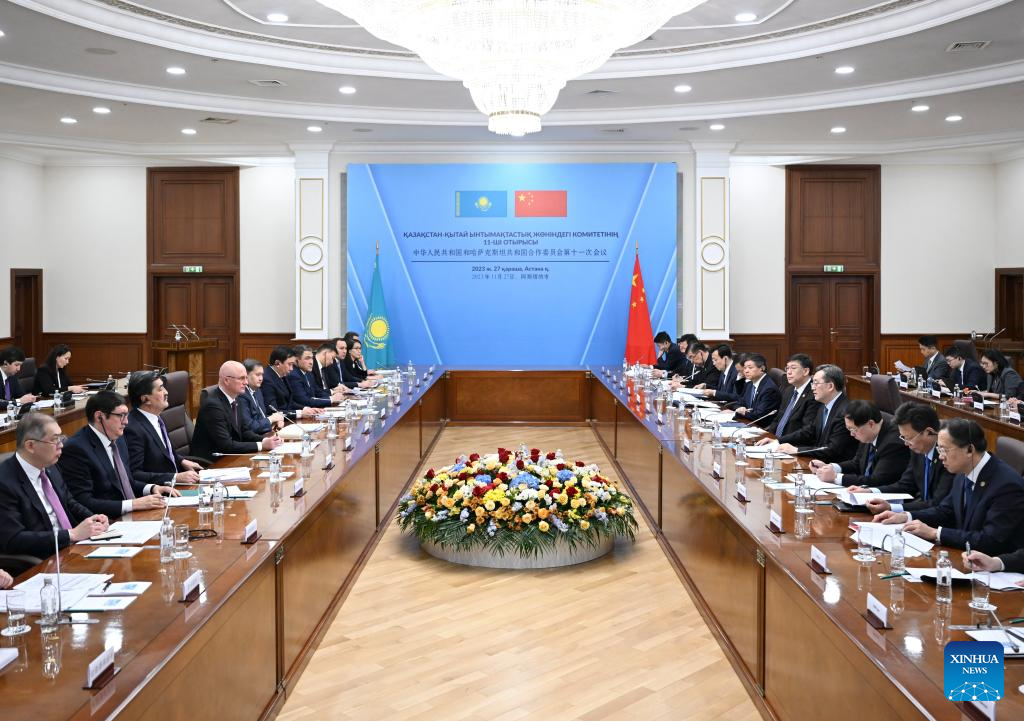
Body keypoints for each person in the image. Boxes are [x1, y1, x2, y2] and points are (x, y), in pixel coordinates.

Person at [874, 418, 1024, 553]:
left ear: (969, 449)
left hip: (993, 565)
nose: (940, 456)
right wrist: (906, 516)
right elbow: (946, 511)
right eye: (939, 449)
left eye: (944, 450)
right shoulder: (964, 470)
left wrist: (935, 533)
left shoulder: (1006, 485)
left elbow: (990, 540)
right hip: (965, 555)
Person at [0, 412, 109, 558]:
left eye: (61, 438)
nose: (61, 445)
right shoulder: (4, 482)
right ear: (30, 445)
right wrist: (71, 534)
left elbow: (69, 502)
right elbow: (13, 539)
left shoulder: (50, 465)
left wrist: (93, 519)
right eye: (55, 440)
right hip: (44, 559)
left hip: (72, 549)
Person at [58, 390, 176, 518]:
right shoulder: (77, 449)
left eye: (127, 415)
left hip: (134, 515)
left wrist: (152, 488)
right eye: (121, 415)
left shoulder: (118, 438)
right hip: (108, 521)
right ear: (99, 417)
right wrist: (133, 504)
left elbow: (126, 482)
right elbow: (83, 501)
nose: (126, 422)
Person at [851, 401, 956, 514]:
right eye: (903, 438)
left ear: (928, 432)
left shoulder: (946, 458)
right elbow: (906, 485)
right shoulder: (918, 449)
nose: (906, 443)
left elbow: (937, 503)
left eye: (908, 438)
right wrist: (869, 491)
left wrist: (893, 508)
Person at [190, 361, 283, 462]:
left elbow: (244, 431)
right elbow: (226, 445)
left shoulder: (235, 398)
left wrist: (265, 440)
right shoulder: (212, 406)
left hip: (230, 457)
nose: (246, 382)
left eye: (246, 378)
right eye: (242, 378)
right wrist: (261, 445)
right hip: (213, 462)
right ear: (226, 380)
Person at [123, 371, 203, 487]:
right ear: (146, 399)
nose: (166, 392)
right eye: (160, 389)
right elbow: (135, 474)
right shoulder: (133, 429)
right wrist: (175, 477)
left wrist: (181, 461)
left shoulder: (157, 417)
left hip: (181, 484)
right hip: (161, 491)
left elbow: (164, 452)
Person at [810, 400, 910, 488]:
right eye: (849, 429)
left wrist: (836, 477)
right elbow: (857, 462)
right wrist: (830, 467)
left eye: (853, 429)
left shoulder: (893, 443)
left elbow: (877, 480)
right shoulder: (869, 429)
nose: (851, 434)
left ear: (871, 424)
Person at [776, 364, 859, 462]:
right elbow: (809, 431)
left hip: (834, 465)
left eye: (816, 383)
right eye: (812, 383)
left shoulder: (845, 412)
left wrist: (797, 450)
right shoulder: (823, 405)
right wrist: (778, 440)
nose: (812, 388)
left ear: (830, 386)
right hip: (819, 462)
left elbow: (832, 449)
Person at [760, 354, 819, 445]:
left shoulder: (814, 394)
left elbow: (807, 430)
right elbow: (778, 418)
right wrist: (768, 436)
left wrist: (778, 441)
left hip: (794, 445)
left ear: (806, 371)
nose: (789, 372)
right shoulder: (789, 390)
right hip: (776, 442)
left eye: (793, 368)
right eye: (787, 368)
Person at [261, 345, 316, 419]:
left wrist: (305, 409)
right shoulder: (267, 379)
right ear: (277, 363)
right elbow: (272, 411)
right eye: (289, 364)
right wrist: (299, 413)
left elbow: (289, 402)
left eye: (292, 364)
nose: (291, 369)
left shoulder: (282, 374)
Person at [238, 359, 284, 436]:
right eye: (257, 375)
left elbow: (261, 417)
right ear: (246, 375)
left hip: (265, 434)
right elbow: (250, 426)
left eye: (262, 375)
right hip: (253, 439)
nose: (261, 378)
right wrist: (271, 419)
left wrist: (275, 422)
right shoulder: (241, 395)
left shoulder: (258, 391)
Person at [732, 353, 780, 425]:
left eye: (750, 368)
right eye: (745, 368)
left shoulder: (769, 389)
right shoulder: (750, 384)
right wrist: (739, 408)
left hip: (761, 427)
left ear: (762, 368)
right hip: (748, 422)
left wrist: (743, 412)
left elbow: (759, 415)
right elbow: (740, 402)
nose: (746, 371)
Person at [0, 345, 36, 409]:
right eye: (16, 365)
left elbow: (21, 394)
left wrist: (28, 398)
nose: (19, 369)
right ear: (5, 364)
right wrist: (19, 401)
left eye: (20, 365)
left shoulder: (12, 376)